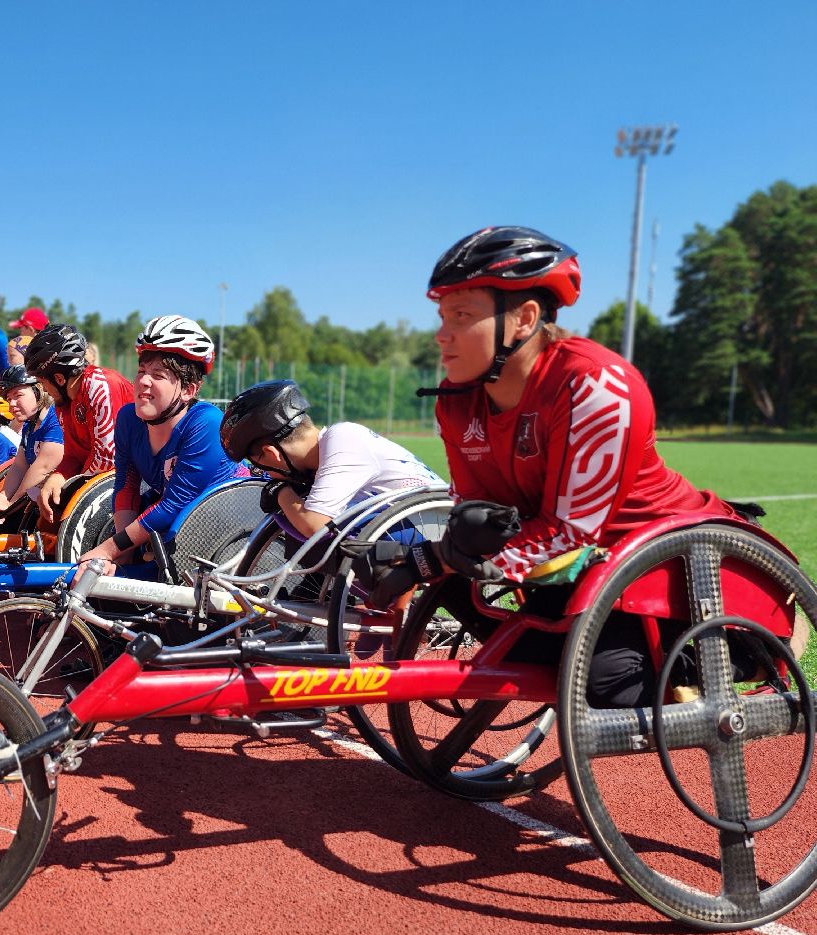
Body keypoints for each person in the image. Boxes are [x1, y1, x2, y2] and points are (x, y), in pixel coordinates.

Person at [366, 225, 751, 707]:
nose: (442, 336)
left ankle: (713, 657)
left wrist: (435, 558)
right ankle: (564, 653)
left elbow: (572, 533)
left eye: (461, 316)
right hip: (582, 572)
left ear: (524, 318)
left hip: (671, 571)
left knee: (604, 682)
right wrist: (432, 555)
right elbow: (476, 514)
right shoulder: (456, 402)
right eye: (442, 317)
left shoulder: (596, 385)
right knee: (457, 594)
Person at [77, 315, 241, 575]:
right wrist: (123, 554)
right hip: (175, 516)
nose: (143, 381)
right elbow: (126, 485)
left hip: (226, 524)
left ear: (189, 389)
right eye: (141, 371)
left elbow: (175, 504)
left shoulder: (207, 423)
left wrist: (108, 551)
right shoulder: (128, 418)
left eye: (158, 375)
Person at [218, 380, 441, 537]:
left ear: (271, 453)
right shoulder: (329, 450)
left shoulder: (343, 438)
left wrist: (280, 491)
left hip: (436, 530)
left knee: (318, 532)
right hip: (418, 525)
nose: (268, 474)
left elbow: (314, 526)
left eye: (263, 467)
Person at [24, 323, 135, 520]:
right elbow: (74, 455)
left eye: (42, 382)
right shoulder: (63, 403)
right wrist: (58, 476)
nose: (44, 390)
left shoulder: (100, 386)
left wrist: (66, 485)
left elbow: (106, 460)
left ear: (59, 378)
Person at [0, 365, 65, 523]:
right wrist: (3, 496)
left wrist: (10, 505)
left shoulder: (55, 417)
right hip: (34, 495)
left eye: (17, 395)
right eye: (8, 399)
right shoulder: (29, 426)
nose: (11, 404)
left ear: (39, 391)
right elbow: (19, 466)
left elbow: (43, 467)